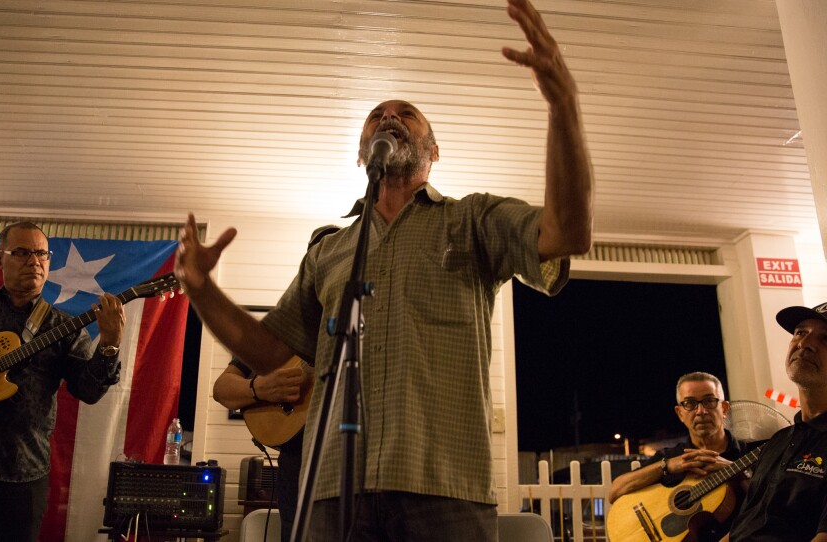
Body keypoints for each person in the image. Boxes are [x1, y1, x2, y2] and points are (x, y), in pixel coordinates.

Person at [175, 0, 593, 538]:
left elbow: (566, 234)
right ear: (361, 155)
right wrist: (202, 289)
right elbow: (270, 353)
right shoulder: (329, 249)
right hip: (332, 492)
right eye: (377, 115)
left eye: (406, 113)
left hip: (445, 489)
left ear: (434, 151)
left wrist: (564, 106)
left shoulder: (472, 219)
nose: (389, 116)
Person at [0, 221, 126, 541]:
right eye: (22, 253)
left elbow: (88, 391)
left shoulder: (65, 327)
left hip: (21, 471)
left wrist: (109, 345)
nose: (35, 262)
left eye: (42, 254)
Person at [213, 225, 336, 542]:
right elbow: (222, 389)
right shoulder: (280, 332)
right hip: (297, 466)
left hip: (349, 460)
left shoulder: (362, 324)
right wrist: (258, 389)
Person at [721, 301, 827, 541]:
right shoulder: (778, 441)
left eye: (825, 338)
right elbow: (746, 524)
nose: (804, 343)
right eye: (800, 332)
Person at [608, 372, 751, 541]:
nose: (701, 411)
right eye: (690, 403)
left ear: (724, 408)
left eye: (709, 401)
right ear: (680, 413)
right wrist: (666, 466)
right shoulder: (670, 457)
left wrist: (738, 472)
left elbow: (769, 505)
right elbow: (615, 491)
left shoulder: (749, 455)